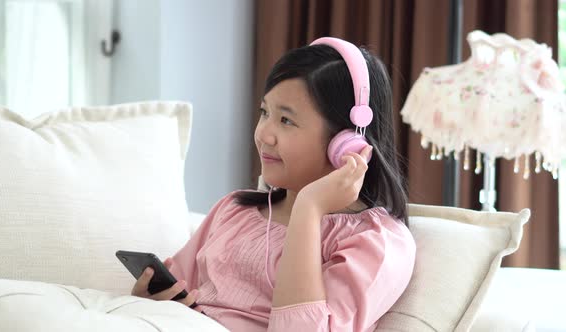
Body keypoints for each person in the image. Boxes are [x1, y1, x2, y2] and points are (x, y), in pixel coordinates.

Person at [131, 37, 416, 331]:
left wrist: (308, 208)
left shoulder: (375, 243)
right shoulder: (234, 209)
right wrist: (147, 300)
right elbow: (177, 287)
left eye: (286, 121)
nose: (264, 134)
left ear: (346, 143)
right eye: (265, 113)